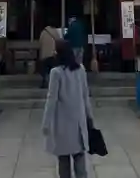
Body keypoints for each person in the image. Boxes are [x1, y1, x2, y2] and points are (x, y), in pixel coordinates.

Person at [42, 39, 94, 178]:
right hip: (78, 123)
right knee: (80, 160)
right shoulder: (80, 69)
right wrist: (90, 116)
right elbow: (85, 95)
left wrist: (46, 123)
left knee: (64, 162)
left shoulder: (56, 73)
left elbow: (51, 99)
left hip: (62, 124)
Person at [39, 22, 59, 88]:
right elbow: (59, 41)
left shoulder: (43, 32)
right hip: (52, 53)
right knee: (52, 69)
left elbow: (40, 42)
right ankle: (52, 82)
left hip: (44, 54)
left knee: (45, 69)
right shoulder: (55, 32)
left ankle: (45, 81)